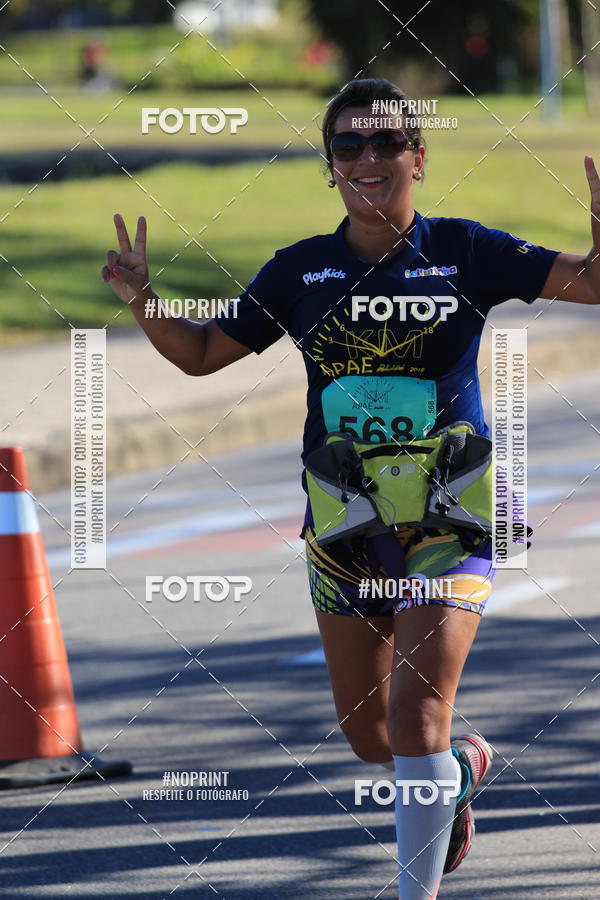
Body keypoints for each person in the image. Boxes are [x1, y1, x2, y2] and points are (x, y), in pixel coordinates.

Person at [102, 77, 600, 900]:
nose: (368, 159)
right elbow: (200, 354)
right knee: (373, 737)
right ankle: (458, 771)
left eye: (386, 143)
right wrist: (145, 300)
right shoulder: (301, 271)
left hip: (452, 514)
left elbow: (591, 284)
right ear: (329, 167)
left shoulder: (467, 250)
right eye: (348, 147)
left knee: (413, 721)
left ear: (419, 156)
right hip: (343, 525)